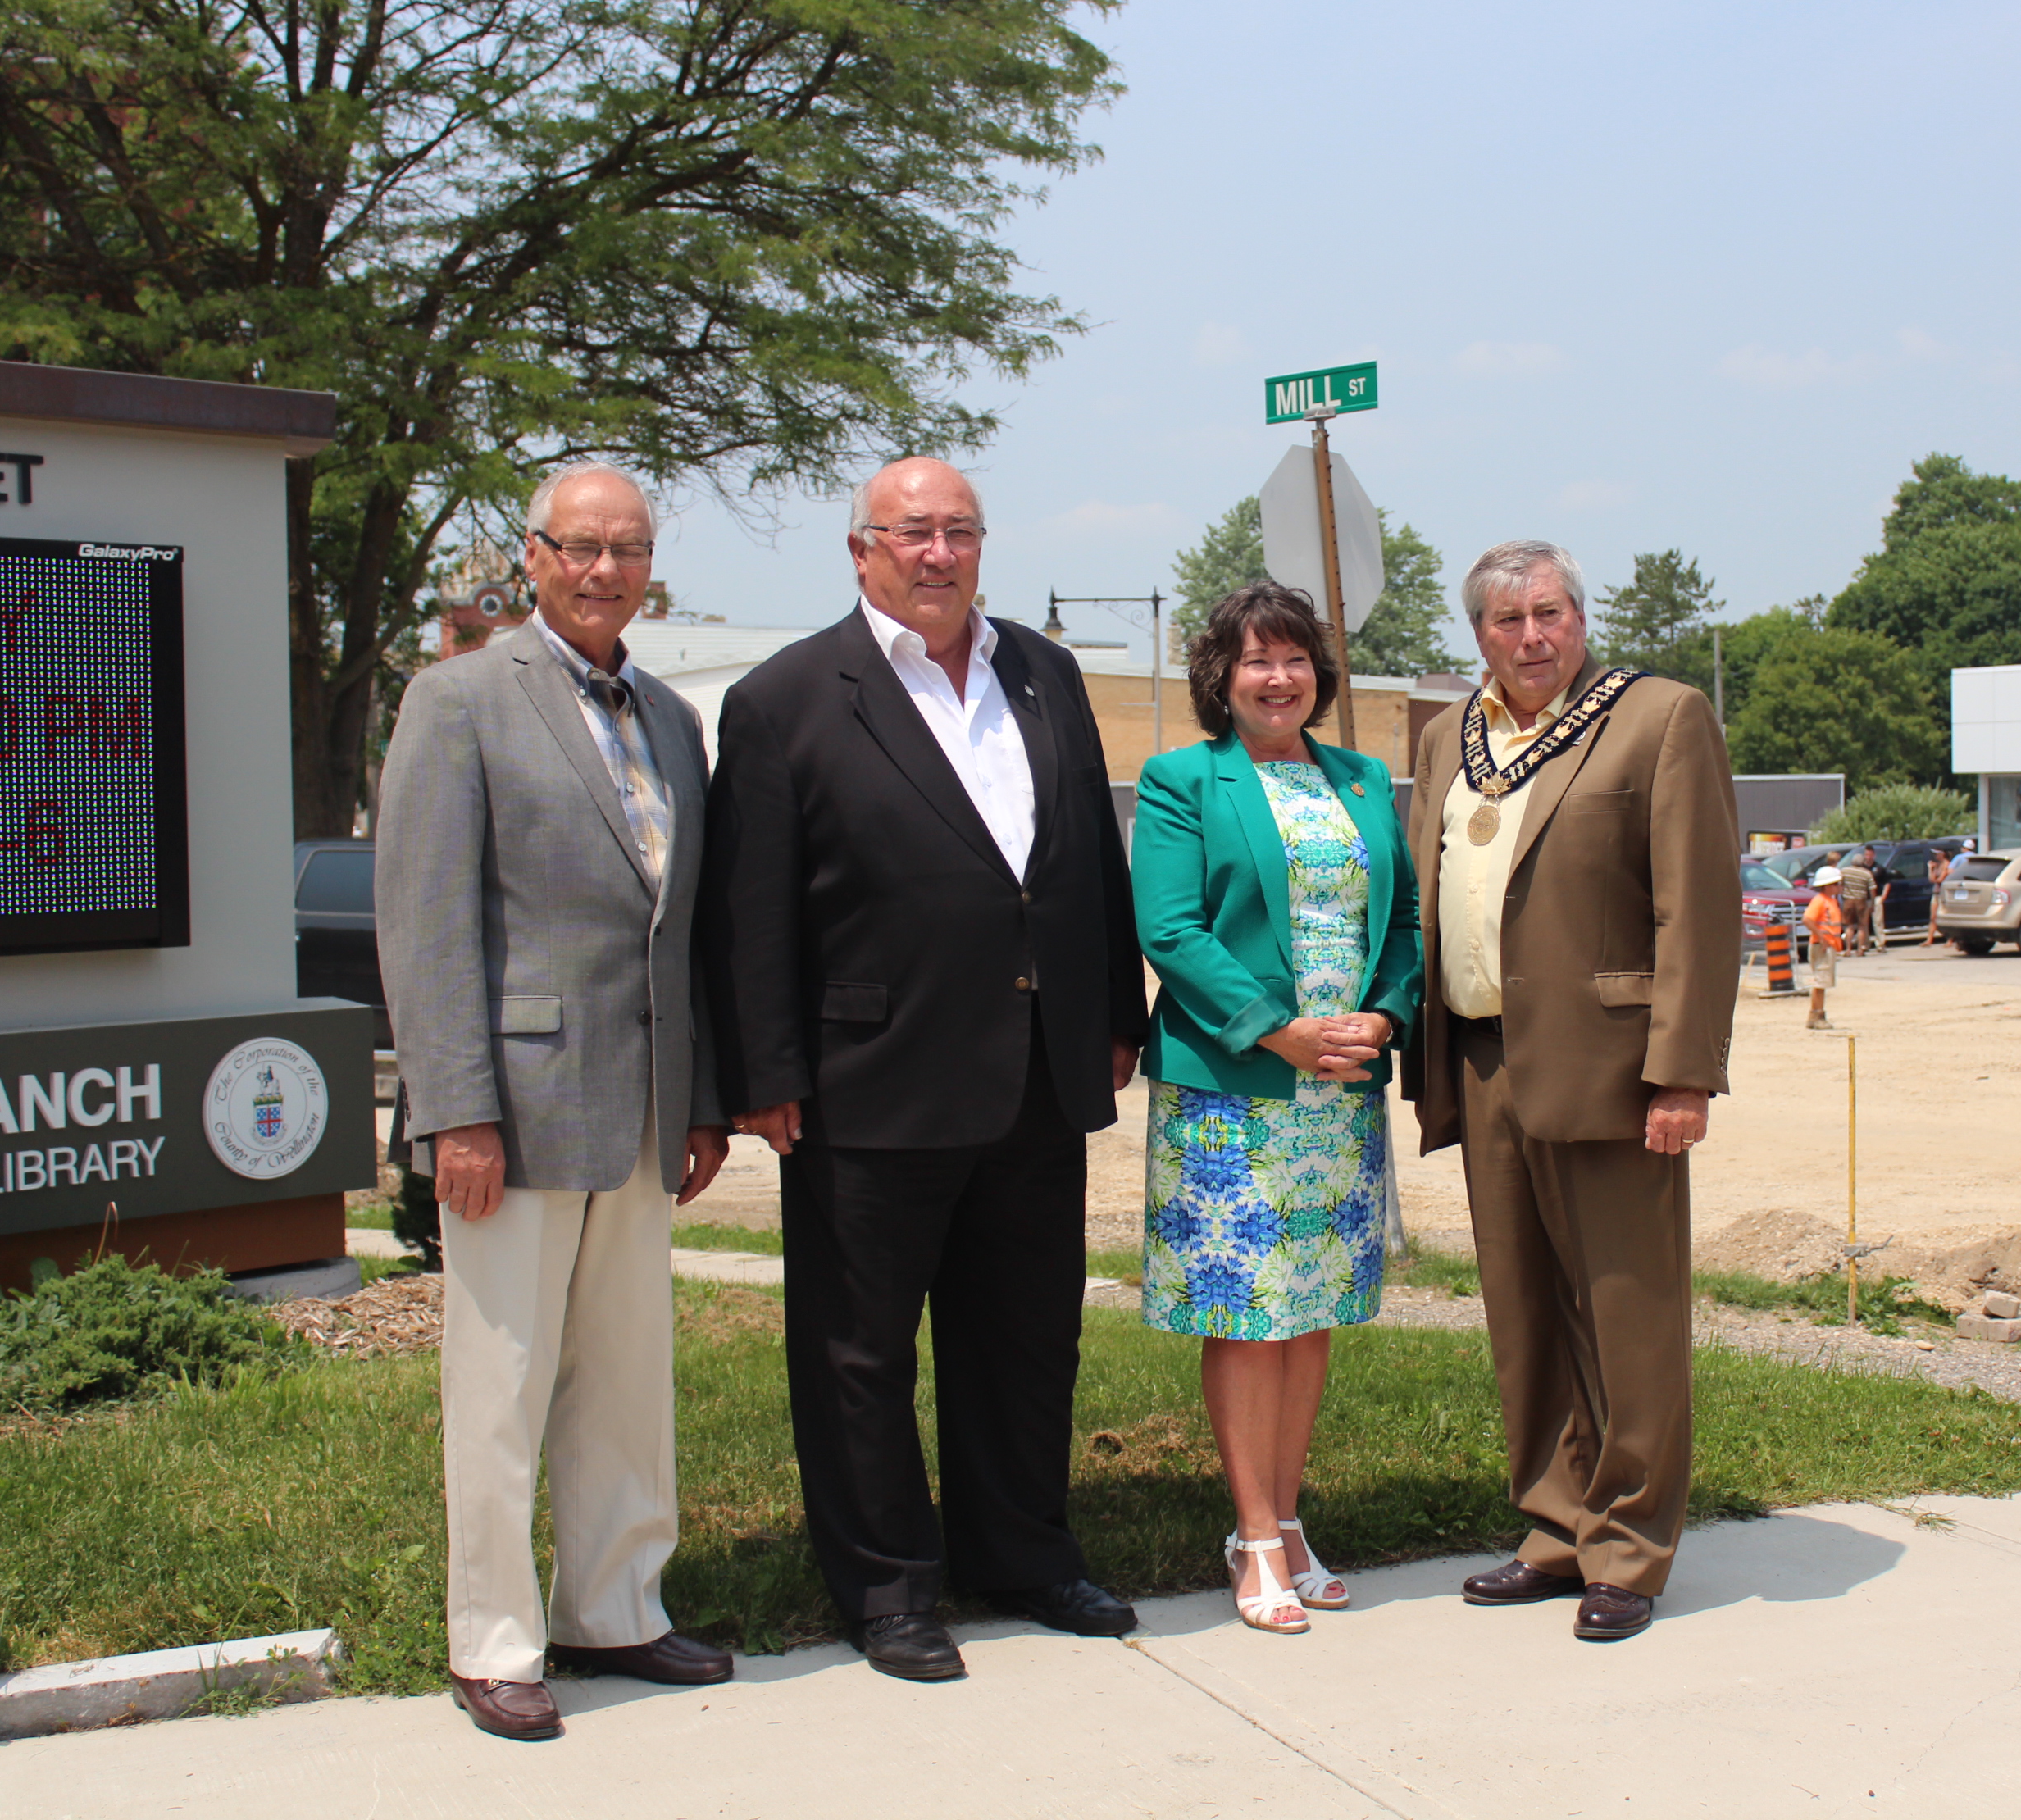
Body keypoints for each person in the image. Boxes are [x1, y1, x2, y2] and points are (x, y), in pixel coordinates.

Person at [696, 457, 1149, 1685]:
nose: (938, 553)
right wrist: (764, 1069)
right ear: (861, 551)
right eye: (911, 533)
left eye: (959, 530)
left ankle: (1023, 1555)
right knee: (859, 1352)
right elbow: (750, 908)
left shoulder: (1043, 673)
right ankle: (888, 1587)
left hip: (1038, 1073)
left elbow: (1080, 862)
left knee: (1025, 1338)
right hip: (867, 1079)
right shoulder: (787, 697)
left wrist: (1114, 1009)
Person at [376, 462, 735, 1743]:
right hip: (514, 1113)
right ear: (531, 557)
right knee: (503, 1386)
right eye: (579, 548)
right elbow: (424, 924)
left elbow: (678, 931)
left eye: (627, 551)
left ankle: (617, 1607)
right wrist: (453, 1110)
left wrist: (701, 1103)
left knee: (627, 1379)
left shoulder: (672, 721)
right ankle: (494, 1638)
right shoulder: (459, 699)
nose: (603, 571)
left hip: (641, 1111)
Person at [1406, 539, 1739, 1644]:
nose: (1532, 636)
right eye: (1507, 621)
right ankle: (1555, 1529)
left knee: (1627, 1316)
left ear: (1579, 617)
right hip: (1483, 1056)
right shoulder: (1447, 737)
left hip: (1612, 1068)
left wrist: (1682, 1071)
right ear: (1479, 636)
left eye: (1549, 613)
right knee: (1525, 1315)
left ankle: (1631, 1550)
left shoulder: (1659, 718)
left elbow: (1697, 909)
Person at [1128, 582, 1421, 1635]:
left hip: (1340, 1094)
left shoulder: (1360, 778)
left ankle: (1292, 1522)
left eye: (1295, 658)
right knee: (1248, 1314)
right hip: (1232, 1093)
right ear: (1221, 677)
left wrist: (1381, 1021)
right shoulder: (1182, 782)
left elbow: (1406, 922)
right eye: (1257, 660)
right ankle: (1251, 1533)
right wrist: (1278, 1028)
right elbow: (1169, 929)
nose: (1279, 677)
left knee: (1312, 1315)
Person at [1801, 865, 1844, 1030]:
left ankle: (1817, 1014)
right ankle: (1816, 1016)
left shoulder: (1831, 901)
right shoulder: (1820, 901)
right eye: (1836, 884)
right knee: (1820, 982)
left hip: (1827, 946)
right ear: (1827, 886)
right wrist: (1821, 936)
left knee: (1823, 982)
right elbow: (1807, 919)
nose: (1840, 887)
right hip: (1821, 946)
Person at [1832, 849, 1875, 956]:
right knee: (1861, 926)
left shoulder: (1845, 871)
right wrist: (1873, 903)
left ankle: (1848, 949)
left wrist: (1837, 898)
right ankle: (1860, 949)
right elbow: (1872, 889)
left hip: (1848, 901)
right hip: (1861, 901)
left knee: (1849, 926)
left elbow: (1839, 885)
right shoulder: (1867, 874)